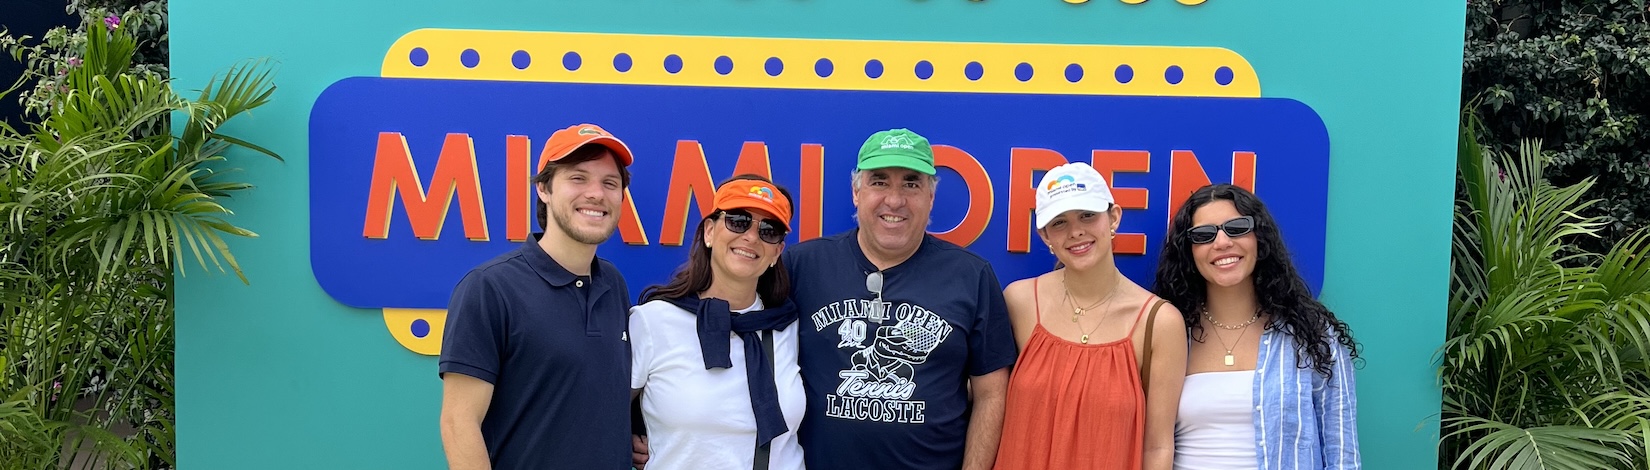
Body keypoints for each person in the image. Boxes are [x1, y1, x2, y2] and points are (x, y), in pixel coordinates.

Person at [780, 128, 1017, 470]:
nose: (894, 200)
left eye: (911, 184)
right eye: (879, 182)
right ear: (856, 192)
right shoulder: (802, 266)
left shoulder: (971, 276)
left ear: (930, 197)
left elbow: (991, 393)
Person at [438, 123, 636, 470]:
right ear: (543, 189)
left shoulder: (613, 284)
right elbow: (459, 423)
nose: (596, 194)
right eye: (578, 178)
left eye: (610, 183)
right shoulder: (490, 288)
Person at [1153, 184, 1362, 470]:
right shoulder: (1169, 333)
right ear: (1189, 251)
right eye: (1203, 235)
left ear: (1260, 239)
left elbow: (1343, 455)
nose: (1222, 242)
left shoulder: (1312, 336)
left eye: (1237, 228)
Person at [993, 162, 1186, 470]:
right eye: (1059, 222)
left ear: (1114, 217)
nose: (1076, 232)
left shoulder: (1159, 322)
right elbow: (986, 401)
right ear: (1044, 235)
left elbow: (1158, 446)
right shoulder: (1020, 301)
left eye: (1087, 215)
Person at [629, 175, 806, 470]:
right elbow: (601, 415)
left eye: (768, 230)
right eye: (738, 221)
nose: (752, 237)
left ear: (777, 253)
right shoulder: (653, 322)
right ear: (709, 232)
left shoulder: (789, 326)